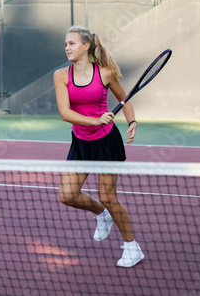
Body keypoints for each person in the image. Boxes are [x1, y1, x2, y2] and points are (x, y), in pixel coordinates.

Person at [53, 26, 144, 267]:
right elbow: (65, 113)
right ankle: (102, 215)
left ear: (86, 46)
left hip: (106, 142)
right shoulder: (61, 76)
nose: (67, 48)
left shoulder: (104, 73)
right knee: (67, 195)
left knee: (108, 195)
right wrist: (94, 120)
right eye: (65, 44)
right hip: (81, 142)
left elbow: (125, 100)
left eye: (71, 43)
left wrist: (132, 120)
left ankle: (132, 248)